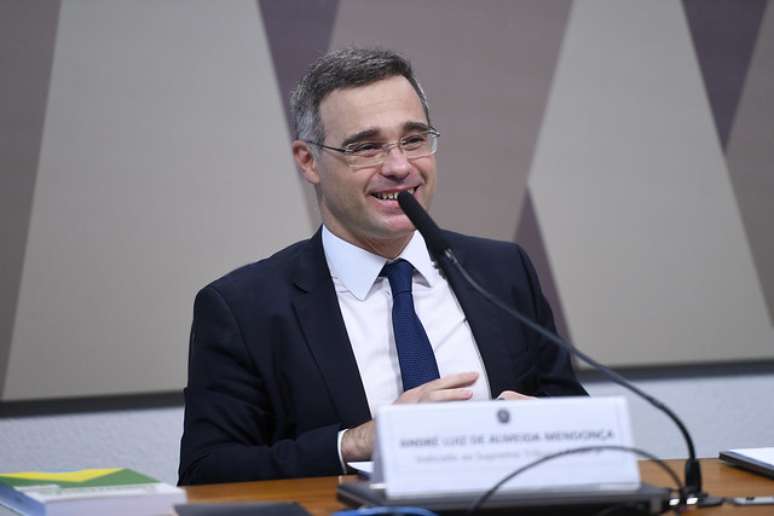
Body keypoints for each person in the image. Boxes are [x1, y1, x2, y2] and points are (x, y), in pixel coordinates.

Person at [178, 47, 586, 485]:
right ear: (308, 161)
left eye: (413, 140)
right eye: (366, 147)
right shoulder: (243, 309)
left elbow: (577, 419)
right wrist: (356, 442)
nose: (399, 167)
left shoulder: (502, 271)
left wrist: (548, 424)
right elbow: (208, 472)